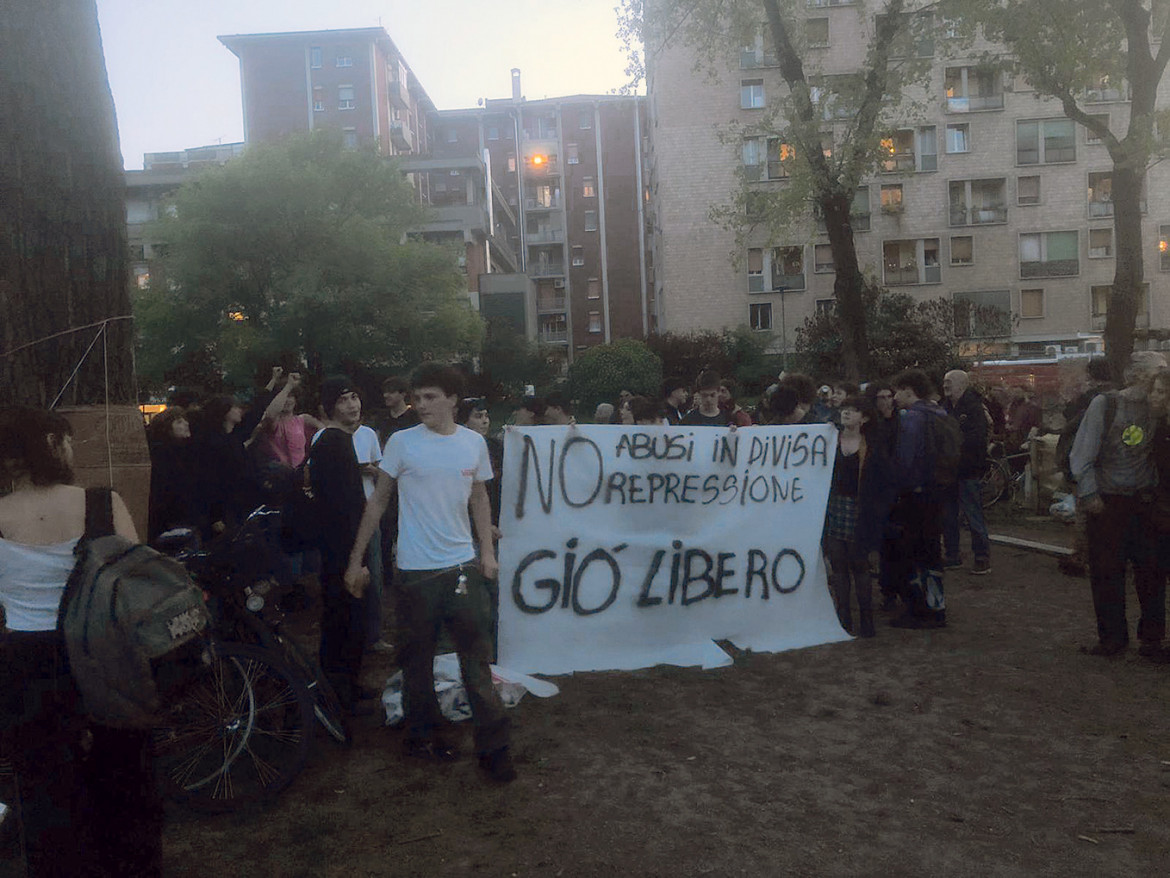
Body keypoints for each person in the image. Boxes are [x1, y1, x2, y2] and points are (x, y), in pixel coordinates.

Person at [0, 408, 162, 876]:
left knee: (46, 789)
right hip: (104, 655)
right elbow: (136, 584)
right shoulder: (101, 504)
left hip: (29, 665)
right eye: (68, 441)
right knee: (125, 779)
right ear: (53, 442)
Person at [344, 364, 515, 782]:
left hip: (462, 569)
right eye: (416, 398)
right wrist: (356, 560)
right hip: (416, 573)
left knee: (476, 660)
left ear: (453, 400)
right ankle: (424, 737)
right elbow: (379, 502)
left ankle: (494, 749)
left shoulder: (474, 444)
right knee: (416, 662)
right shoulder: (401, 443)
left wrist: (487, 553)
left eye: (430, 397)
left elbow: (479, 499)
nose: (420, 405)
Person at [1069, 350, 1166, 658]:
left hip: (1146, 502)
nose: (1163, 380)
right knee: (1107, 571)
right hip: (1108, 502)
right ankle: (1112, 639)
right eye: (1158, 373)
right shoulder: (1107, 405)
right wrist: (1089, 494)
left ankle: (1151, 640)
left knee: (1151, 573)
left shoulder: (1159, 410)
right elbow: (1082, 454)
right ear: (1138, 376)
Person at [308, 377, 372, 709]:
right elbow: (340, 508)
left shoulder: (340, 440)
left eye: (355, 397)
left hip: (344, 546)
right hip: (341, 550)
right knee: (342, 620)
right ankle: (337, 693)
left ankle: (348, 684)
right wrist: (355, 559)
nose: (352, 404)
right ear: (331, 406)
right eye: (344, 399)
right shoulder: (333, 443)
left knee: (350, 619)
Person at [824, 397, 894, 637]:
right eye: (845, 410)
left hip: (860, 511)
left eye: (853, 411)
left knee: (860, 567)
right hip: (834, 509)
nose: (846, 414)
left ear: (864, 419)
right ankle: (843, 618)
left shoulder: (872, 447)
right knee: (839, 568)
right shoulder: (829, 441)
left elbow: (883, 484)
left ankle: (866, 619)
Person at [887, 369, 948, 629]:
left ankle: (919, 610)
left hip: (915, 495)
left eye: (897, 391)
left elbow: (905, 461)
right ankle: (937, 605)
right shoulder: (939, 413)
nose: (894, 397)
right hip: (938, 492)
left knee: (913, 552)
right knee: (933, 551)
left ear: (908, 390)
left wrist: (896, 489)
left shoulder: (911, 419)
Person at [941, 370, 991, 575]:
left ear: (961, 384)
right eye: (944, 382)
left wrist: (952, 443)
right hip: (949, 470)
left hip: (968, 469)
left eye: (948, 382)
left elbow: (977, 437)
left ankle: (981, 557)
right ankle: (952, 555)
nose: (944, 385)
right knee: (948, 515)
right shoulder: (945, 407)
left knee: (973, 514)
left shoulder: (973, 407)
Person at [146, 406, 201, 544]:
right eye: (179, 422)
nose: (186, 424)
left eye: (184, 420)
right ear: (167, 428)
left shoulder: (187, 451)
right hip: (174, 521)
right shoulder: (164, 454)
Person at [377, 375, 421, 445]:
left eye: (391, 392)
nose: (385, 395)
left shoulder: (415, 418)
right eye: (385, 392)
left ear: (403, 394)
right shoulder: (381, 417)